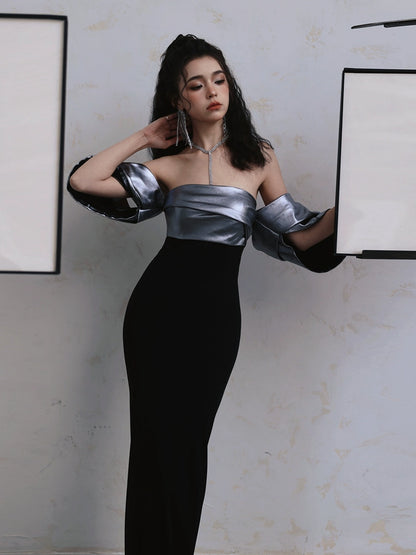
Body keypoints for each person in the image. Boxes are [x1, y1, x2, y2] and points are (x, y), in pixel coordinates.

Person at [68, 34, 344, 555]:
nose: (213, 91)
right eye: (196, 85)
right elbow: (84, 181)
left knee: (190, 443)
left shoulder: (259, 158)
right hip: (156, 315)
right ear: (180, 99)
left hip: (216, 320)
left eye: (219, 79)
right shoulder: (167, 165)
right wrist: (144, 136)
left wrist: (352, 205)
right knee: (154, 443)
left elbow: (302, 236)